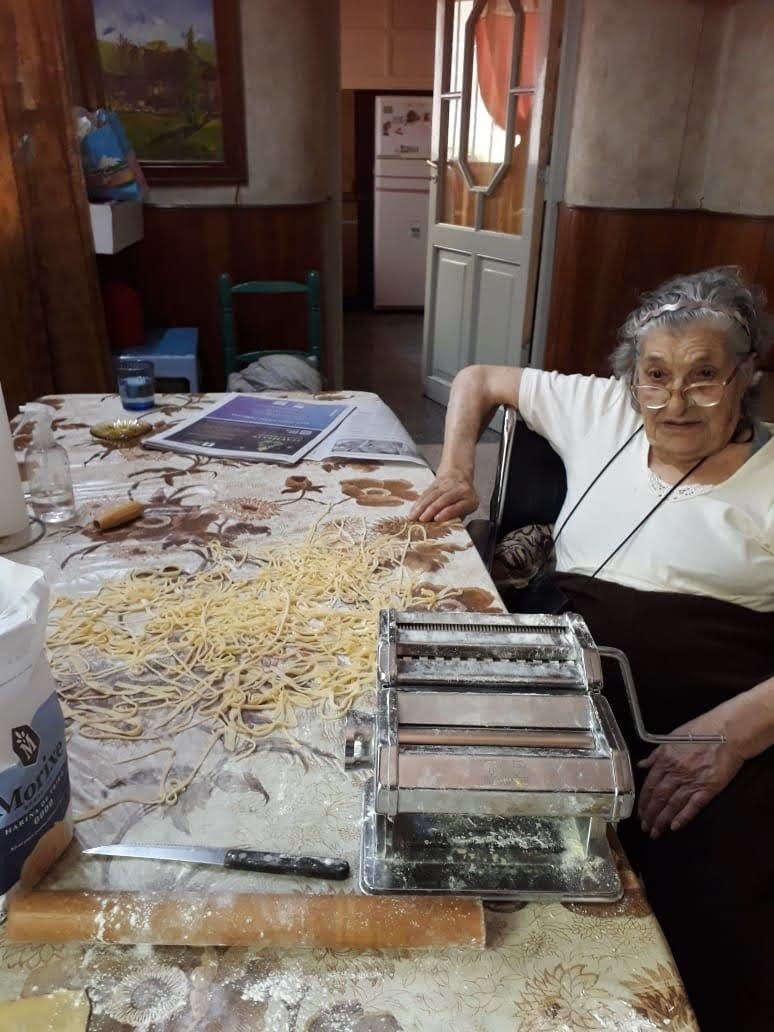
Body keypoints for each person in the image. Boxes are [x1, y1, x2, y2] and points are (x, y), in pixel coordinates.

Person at [410, 266, 773, 1032]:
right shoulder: (604, 408)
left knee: (711, 923)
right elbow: (476, 378)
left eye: (706, 378)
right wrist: (454, 469)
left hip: (716, 719)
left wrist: (737, 732)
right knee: (475, 866)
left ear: (748, 377)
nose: (675, 403)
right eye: (657, 376)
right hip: (564, 685)